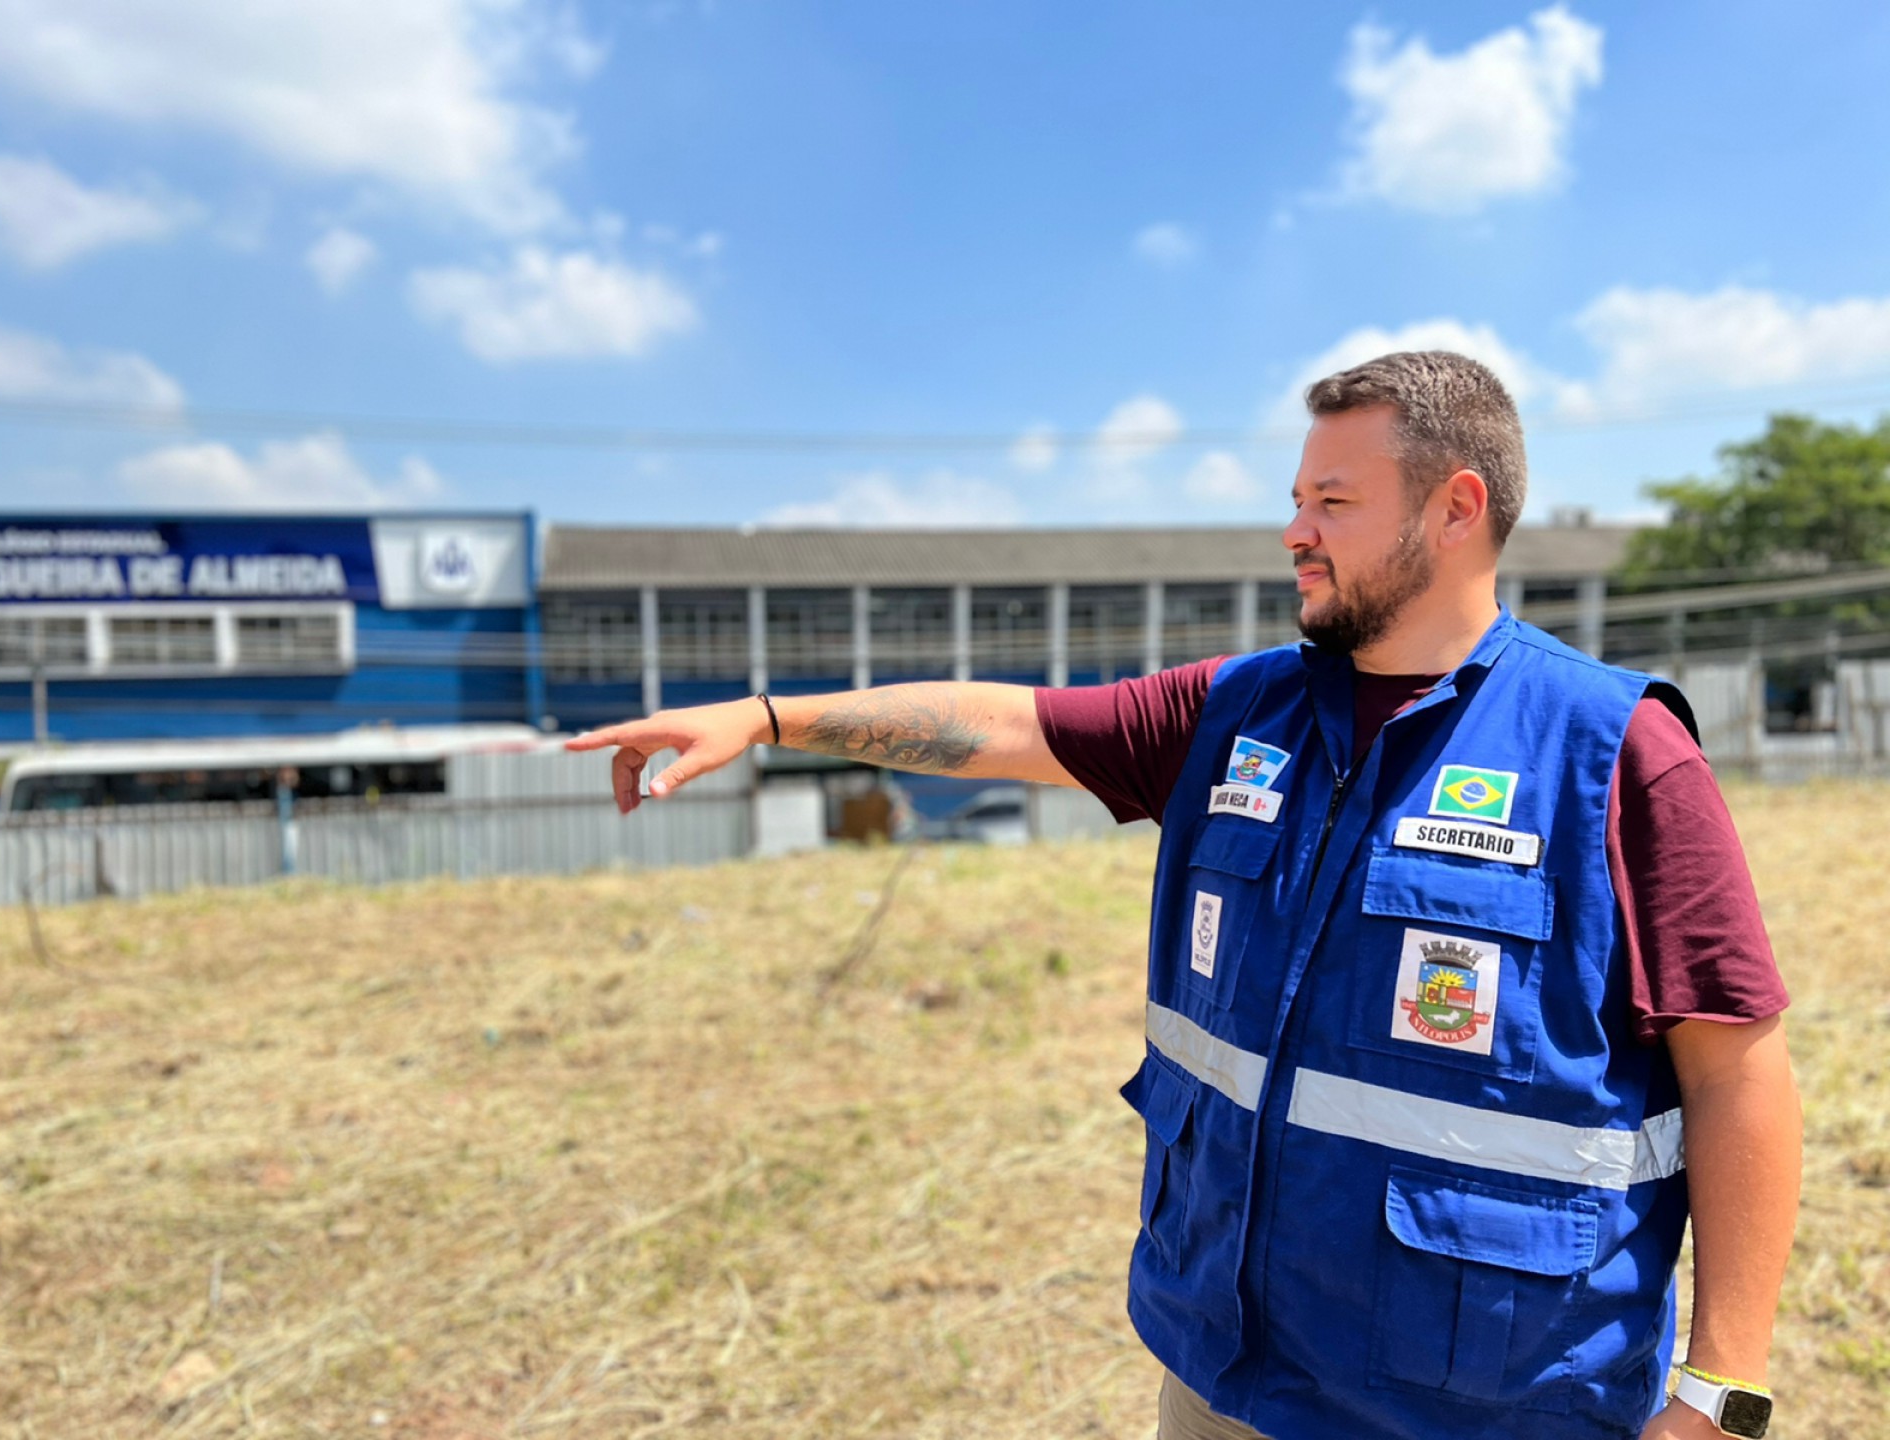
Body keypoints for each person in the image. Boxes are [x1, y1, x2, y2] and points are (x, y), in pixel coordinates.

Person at [567, 351, 1799, 1440]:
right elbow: (1008, 724)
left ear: (1456, 508)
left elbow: (1738, 1073)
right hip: (1228, 1383)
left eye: (1333, 501)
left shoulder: (1615, 751)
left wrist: (1720, 1394)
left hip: (1486, 1408)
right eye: (1295, 499)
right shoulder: (1237, 711)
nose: (1295, 531)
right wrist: (770, 716)